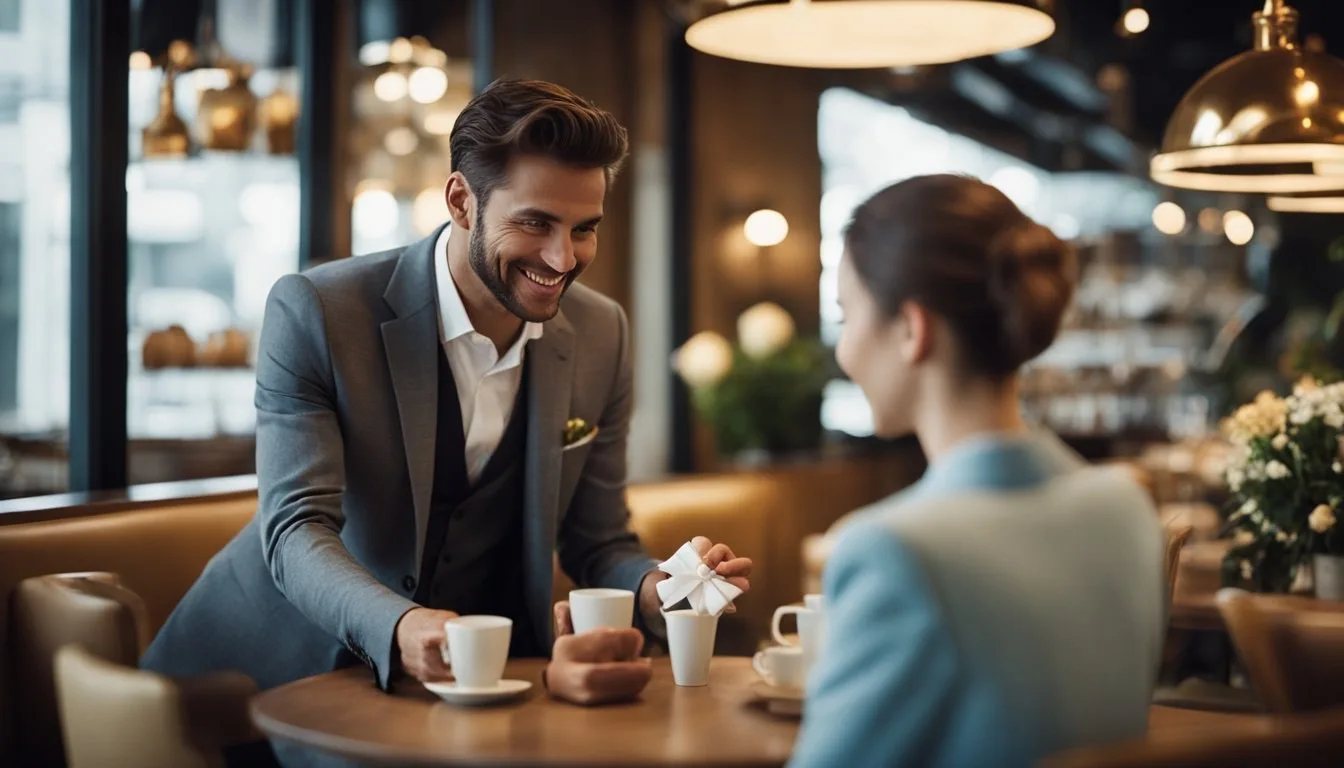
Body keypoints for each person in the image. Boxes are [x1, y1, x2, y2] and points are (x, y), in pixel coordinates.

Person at [141, 78, 751, 762]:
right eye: (535, 222)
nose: (562, 259)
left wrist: (655, 586)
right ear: (462, 200)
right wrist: (400, 627)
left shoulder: (601, 333)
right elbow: (295, 529)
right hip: (262, 688)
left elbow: (596, 540)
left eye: (584, 229)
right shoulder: (317, 311)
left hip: (470, 695)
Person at [788, 174, 1164, 767]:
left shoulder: (892, 552)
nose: (843, 349)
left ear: (913, 330)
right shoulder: (1125, 508)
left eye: (846, 315)